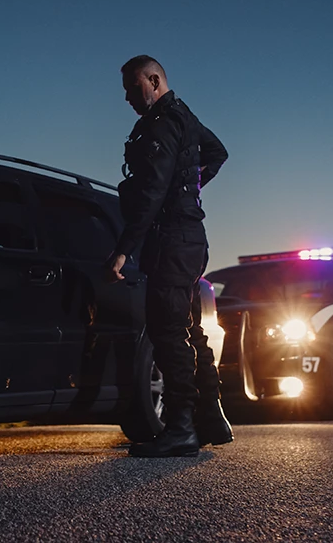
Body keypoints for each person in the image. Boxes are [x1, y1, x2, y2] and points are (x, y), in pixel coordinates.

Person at [104, 55, 232, 457]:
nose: (127, 97)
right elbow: (217, 152)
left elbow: (152, 192)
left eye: (133, 86)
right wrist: (188, 186)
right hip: (190, 237)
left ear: (155, 79)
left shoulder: (164, 122)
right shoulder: (184, 117)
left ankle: (180, 429)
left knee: (167, 333)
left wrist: (123, 250)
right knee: (189, 330)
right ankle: (210, 419)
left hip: (173, 240)